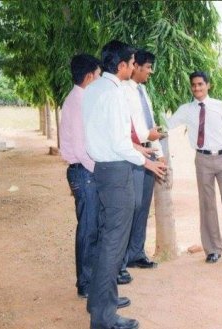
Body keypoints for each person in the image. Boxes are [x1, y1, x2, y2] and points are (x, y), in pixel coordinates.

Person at [82, 40, 165, 329]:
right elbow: (118, 142)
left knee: (107, 238)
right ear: (121, 66)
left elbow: (107, 136)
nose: (134, 67)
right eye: (131, 63)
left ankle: (97, 302)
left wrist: (139, 150)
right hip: (117, 173)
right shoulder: (116, 94)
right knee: (113, 246)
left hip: (102, 168)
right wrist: (146, 161)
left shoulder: (93, 89)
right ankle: (104, 317)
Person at [167, 71, 222, 266]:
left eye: (200, 84)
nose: (197, 88)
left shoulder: (221, 107)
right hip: (202, 160)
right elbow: (167, 124)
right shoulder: (186, 109)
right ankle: (212, 249)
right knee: (207, 204)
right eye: (193, 85)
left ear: (208, 85)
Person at [117, 49, 164, 285]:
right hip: (134, 154)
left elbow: (149, 120)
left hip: (149, 151)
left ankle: (136, 253)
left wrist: (160, 154)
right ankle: (120, 262)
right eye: (147, 67)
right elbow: (130, 127)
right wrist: (147, 139)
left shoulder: (142, 90)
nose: (150, 72)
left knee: (143, 207)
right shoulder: (122, 91)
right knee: (132, 207)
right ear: (134, 67)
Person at [59, 54, 101, 299]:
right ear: (88, 77)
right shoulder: (78, 102)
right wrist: (100, 171)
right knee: (87, 228)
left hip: (85, 172)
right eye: (97, 75)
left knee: (91, 227)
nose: (98, 79)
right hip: (84, 172)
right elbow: (81, 148)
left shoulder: (79, 98)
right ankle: (85, 283)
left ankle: (90, 279)